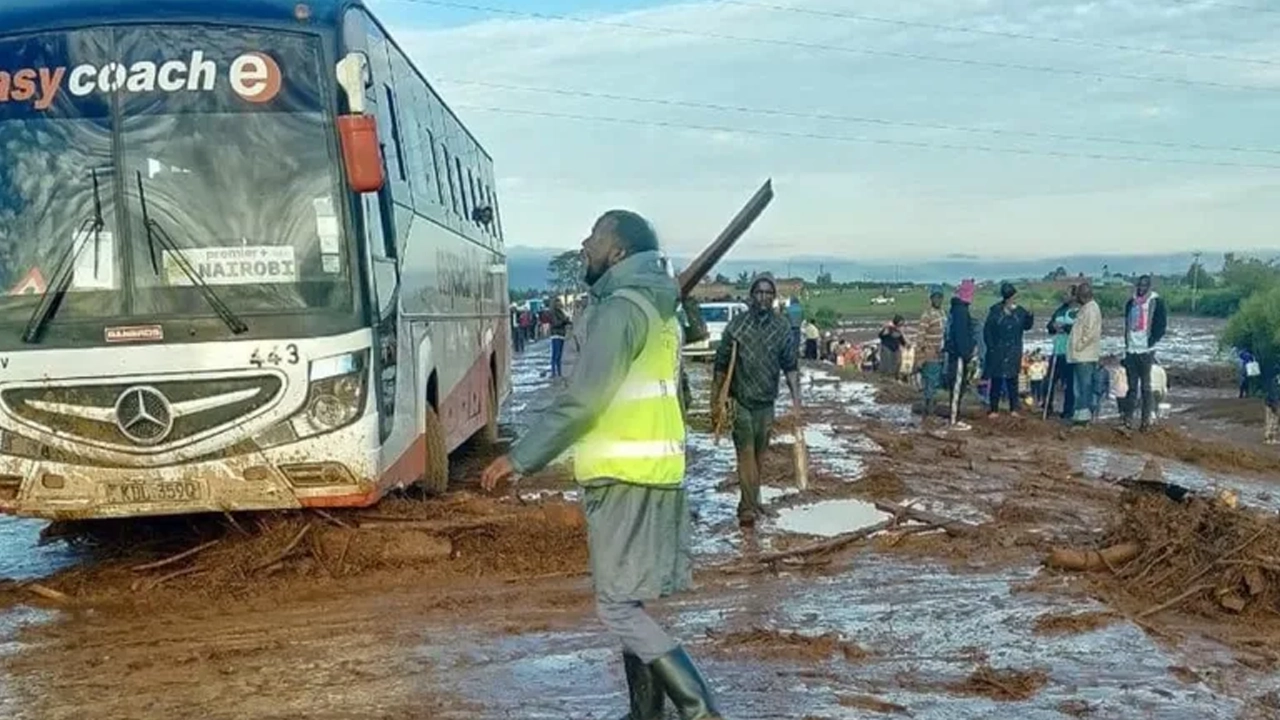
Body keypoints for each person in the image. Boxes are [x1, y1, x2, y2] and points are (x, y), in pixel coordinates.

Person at [479, 209, 723, 719]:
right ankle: (646, 713)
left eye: (594, 235)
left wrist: (520, 457)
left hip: (623, 472)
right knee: (629, 599)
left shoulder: (619, 311)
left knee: (615, 606)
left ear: (617, 252)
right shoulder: (656, 308)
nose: (584, 243)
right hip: (653, 468)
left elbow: (586, 401)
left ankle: (699, 707)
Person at [713, 273, 801, 528]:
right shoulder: (737, 327)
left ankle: (749, 501)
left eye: (768, 293)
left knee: (760, 456)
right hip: (741, 402)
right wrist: (717, 400)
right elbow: (720, 364)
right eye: (759, 292)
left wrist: (797, 402)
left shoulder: (781, 327)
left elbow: (790, 366)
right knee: (746, 455)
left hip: (766, 402)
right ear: (752, 296)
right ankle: (747, 510)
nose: (763, 297)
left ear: (774, 298)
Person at [1122, 275, 1168, 431]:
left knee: (1146, 387)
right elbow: (1126, 325)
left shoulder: (1156, 302)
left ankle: (1145, 422)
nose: (1141, 288)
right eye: (1139, 286)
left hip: (1146, 350)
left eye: (1144, 286)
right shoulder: (1131, 303)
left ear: (1149, 287)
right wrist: (1127, 343)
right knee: (1131, 387)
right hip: (1131, 349)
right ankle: (1127, 420)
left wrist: (1152, 341)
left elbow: (1162, 325)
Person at [982, 282, 1034, 418]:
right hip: (998, 349)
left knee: (1012, 380)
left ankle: (1013, 408)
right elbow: (987, 331)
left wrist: (1030, 316)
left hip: (1014, 349)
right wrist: (991, 347)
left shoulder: (1020, 311)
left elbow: (1027, 326)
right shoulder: (995, 310)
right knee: (997, 379)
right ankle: (994, 409)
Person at [944, 279, 980, 429]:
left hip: (957, 353)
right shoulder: (960, 311)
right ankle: (953, 420)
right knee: (957, 385)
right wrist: (967, 353)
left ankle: (955, 416)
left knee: (958, 386)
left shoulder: (957, 309)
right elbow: (960, 335)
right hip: (958, 355)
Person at [1068, 282, 1102, 425]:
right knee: (1079, 386)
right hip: (1080, 355)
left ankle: (1084, 417)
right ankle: (1079, 415)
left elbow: (1090, 333)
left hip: (1085, 355)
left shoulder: (1092, 309)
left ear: (1083, 296)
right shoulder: (1086, 308)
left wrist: (1078, 346)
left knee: (1084, 386)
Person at [1045, 287, 1078, 419]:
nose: (1064, 296)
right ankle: (1047, 407)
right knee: (1049, 381)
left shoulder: (1079, 311)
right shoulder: (1059, 310)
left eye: (1067, 294)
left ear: (1074, 296)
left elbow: (1079, 329)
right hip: (1057, 350)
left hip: (1071, 352)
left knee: (1069, 384)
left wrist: (1064, 327)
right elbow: (1050, 326)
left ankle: (1068, 411)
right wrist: (1053, 326)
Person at [916, 287, 947, 423]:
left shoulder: (942, 314)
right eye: (935, 297)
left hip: (941, 355)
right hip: (930, 355)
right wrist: (921, 356)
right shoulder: (927, 315)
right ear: (931, 299)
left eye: (940, 297)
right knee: (930, 383)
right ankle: (928, 412)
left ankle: (930, 410)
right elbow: (920, 337)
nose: (938, 300)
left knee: (935, 383)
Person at [549, 297, 572, 379]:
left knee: (559, 355)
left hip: (561, 335)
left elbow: (564, 321)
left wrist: (568, 321)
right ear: (554, 304)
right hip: (556, 335)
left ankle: (559, 372)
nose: (559, 304)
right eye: (557, 303)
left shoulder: (562, 312)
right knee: (556, 355)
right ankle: (553, 373)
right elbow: (555, 323)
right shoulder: (553, 313)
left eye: (560, 303)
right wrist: (564, 321)